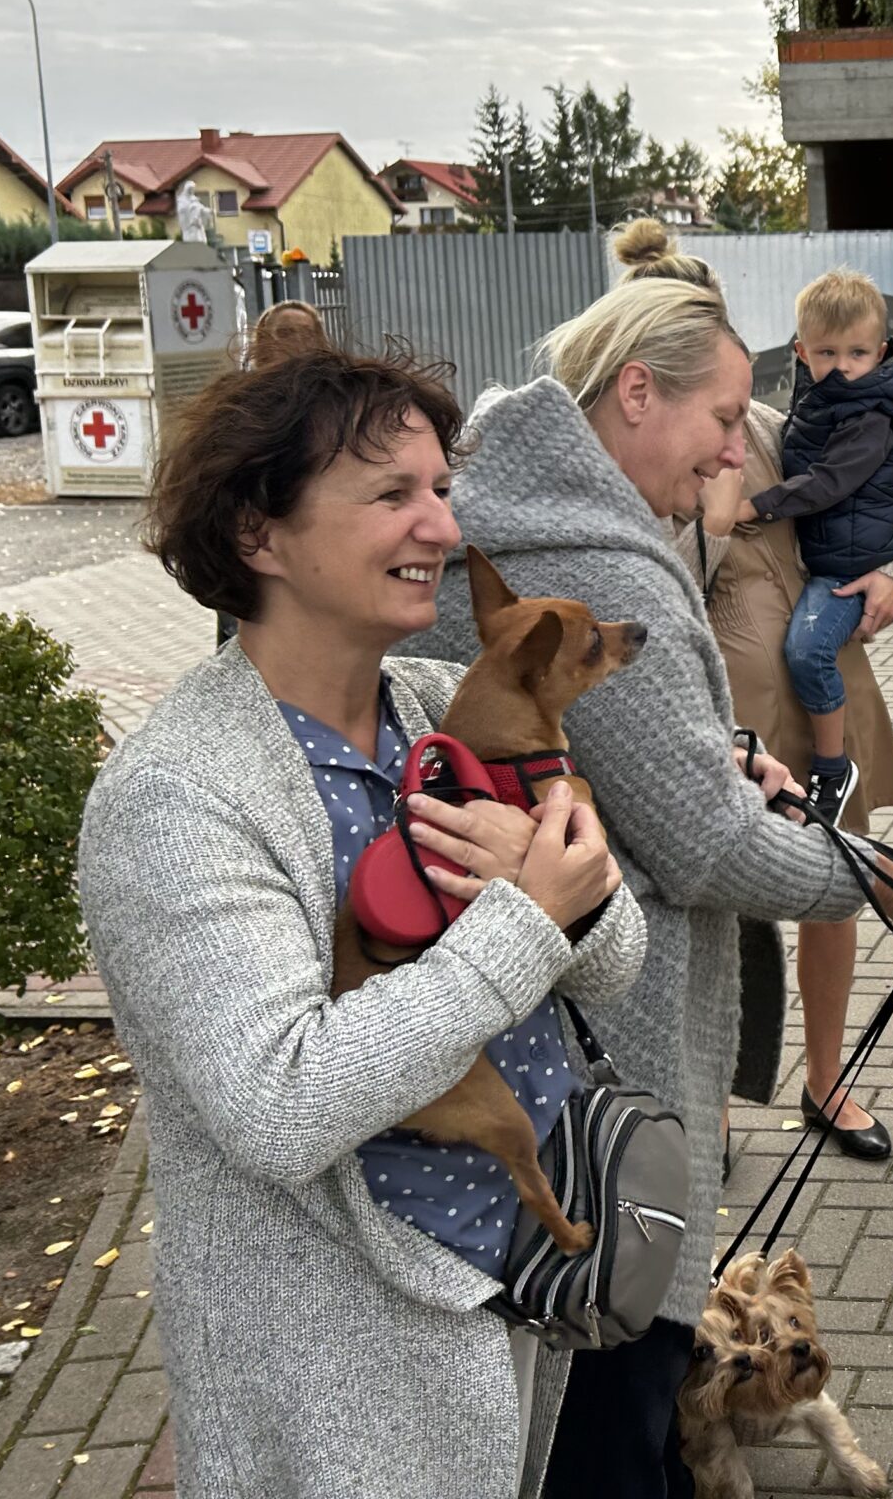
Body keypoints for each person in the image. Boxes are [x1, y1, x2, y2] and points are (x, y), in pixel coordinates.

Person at [404, 273, 893, 1499]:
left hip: (545, 1019)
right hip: (595, 1044)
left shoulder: (550, 508)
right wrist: (880, 881)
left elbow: (626, 767)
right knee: (622, 1374)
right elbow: (702, 846)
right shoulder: (586, 552)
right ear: (634, 394)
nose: (737, 449)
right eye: (722, 418)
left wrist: (720, 753)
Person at [77, 344, 642, 1498]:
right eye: (392, 495)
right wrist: (528, 923)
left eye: (440, 489)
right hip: (343, 1342)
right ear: (258, 533)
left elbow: (611, 963)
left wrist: (578, 907)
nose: (439, 526)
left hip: (518, 1277)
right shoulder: (179, 798)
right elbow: (281, 1104)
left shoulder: (441, 709)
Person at [616, 220, 893, 1165]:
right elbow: (649, 596)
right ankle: (716, 1098)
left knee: (837, 894)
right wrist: (703, 520)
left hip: (828, 696)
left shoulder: (777, 426)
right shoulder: (638, 459)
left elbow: (866, 500)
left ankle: (827, 1082)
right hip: (733, 720)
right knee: (727, 913)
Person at [730, 269, 893, 820]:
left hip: (840, 574)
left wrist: (755, 506)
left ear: (881, 351)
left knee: (809, 649)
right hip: (821, 584)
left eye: (857, 354)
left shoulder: (866, 412)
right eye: (826, 353)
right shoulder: (810, 407)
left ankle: (833, 766)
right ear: (802, 352)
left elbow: (830, 482)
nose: (842, 367)